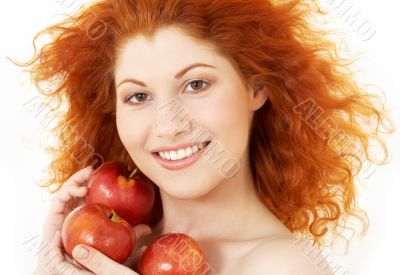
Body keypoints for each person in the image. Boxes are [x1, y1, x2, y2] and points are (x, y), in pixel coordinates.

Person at [14, 0, 392, 274]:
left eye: (196, 84)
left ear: (256, 90)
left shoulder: (282, 266)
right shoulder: (110, 254)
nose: (168, 124)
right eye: (138, 96)